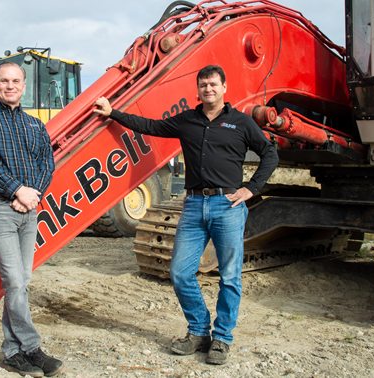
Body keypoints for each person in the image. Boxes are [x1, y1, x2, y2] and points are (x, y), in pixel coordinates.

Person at [93, 65, 278, 365]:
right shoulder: (187, 120)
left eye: (213, 84)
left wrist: (251, 189)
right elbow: (150, 126)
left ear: (224, 87)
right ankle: (199, 331)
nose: (208, 89)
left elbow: (270, 154)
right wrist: (113, 112)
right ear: (198, 89)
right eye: (203, 85)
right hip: (193, 205)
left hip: (228, 205)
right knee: (180, 273)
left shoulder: (241, 123)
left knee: (230, 276)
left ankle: (222, 339)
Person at [0, 61, 61, 377]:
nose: (10, 86)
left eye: (16, 81)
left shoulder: (35, 125)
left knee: (22, 282)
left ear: (23, 85)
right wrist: (17, 190)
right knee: (15, 281)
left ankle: (11, 352)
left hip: (28, 209)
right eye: (4, 81)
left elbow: (46, 164)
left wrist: (32, 195)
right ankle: (32, 348)